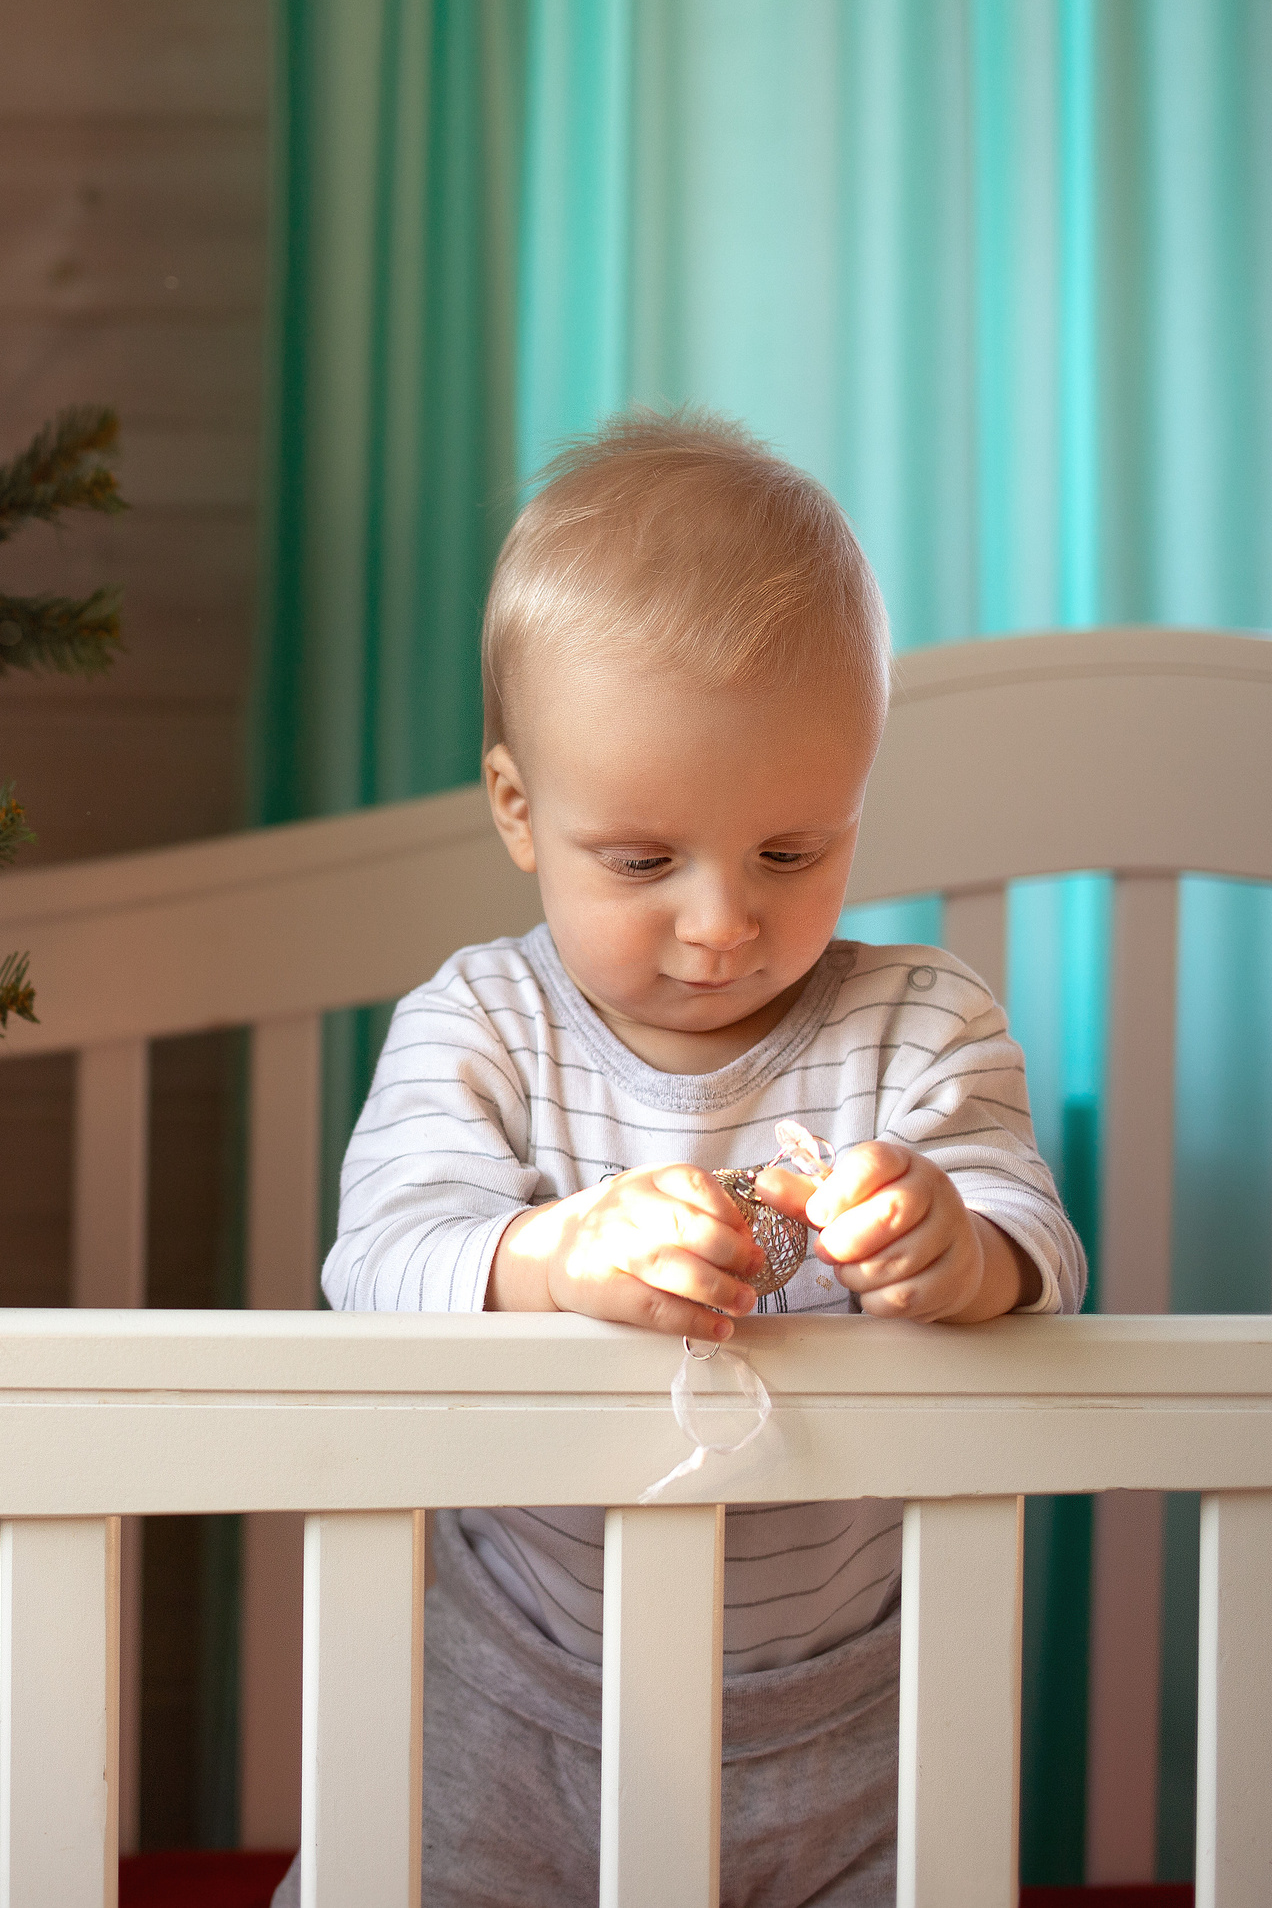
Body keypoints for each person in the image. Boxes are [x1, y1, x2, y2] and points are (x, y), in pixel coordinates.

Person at [273, 410, 1084, 1907]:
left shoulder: (921, 1024)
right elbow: (379, 1260)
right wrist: (557, 1252)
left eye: (793, 851)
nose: (723, 923)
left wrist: (957, 1246)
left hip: (851, 1710)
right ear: (520, 809)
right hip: (514, 1688)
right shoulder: (484, 1025)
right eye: (644, 861)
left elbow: (1036, 1242)